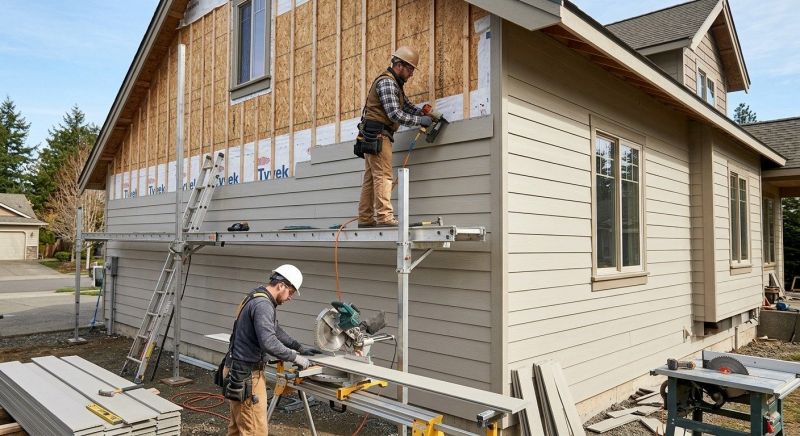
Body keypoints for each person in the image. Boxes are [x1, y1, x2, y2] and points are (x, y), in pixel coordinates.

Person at [222, 264, 320, 436]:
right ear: (281, 285)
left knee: (237, 429)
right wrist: (296, 358)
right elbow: (269, 342)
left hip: (236, 370)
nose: (291, 297)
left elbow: (275, 330)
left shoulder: (256, 296)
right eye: (290, 292)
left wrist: (298, 347)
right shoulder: (263, 305)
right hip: (248, 377)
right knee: (254, 431)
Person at [357, 46, 434, 228]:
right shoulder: (388, 83)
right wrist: (419, 120)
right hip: (378, 136)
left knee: (370, 178)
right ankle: (384, 217)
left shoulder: (395, 84)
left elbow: (406, 106)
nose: (412, 74)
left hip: (372, 135)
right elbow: (395, 114)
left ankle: (366, 218)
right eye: (411, 69)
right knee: (383, 176)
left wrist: (423, 113)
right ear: (400, 65)